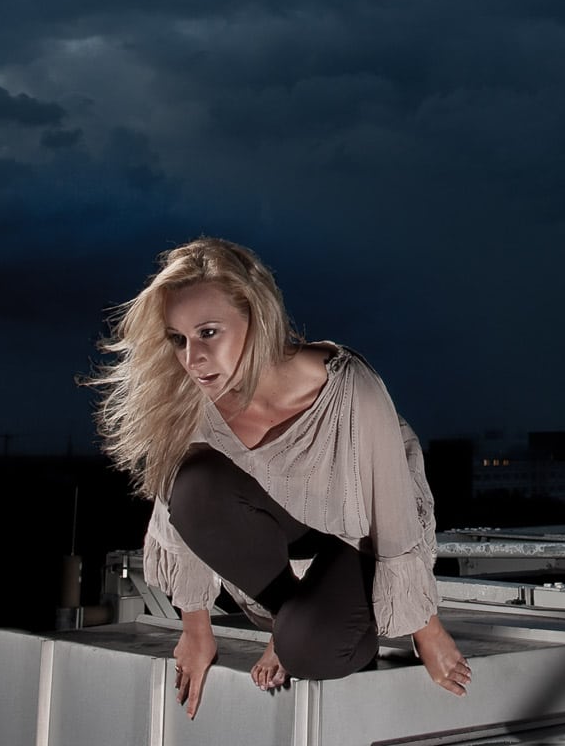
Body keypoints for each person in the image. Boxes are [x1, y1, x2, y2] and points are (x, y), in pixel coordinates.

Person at [89, 236, 470, 719]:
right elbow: (174, 518)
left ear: (256, 316)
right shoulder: (192, 400)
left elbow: (393, 515)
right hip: (284, 529)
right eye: (178, 339)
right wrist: (196, 630)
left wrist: (427, 631)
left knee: (310, 651)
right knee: (192, 487)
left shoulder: (348, 386)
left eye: (208, 332)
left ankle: (307, 627)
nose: (192, 358)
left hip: (361, 535)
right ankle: (288, 618)